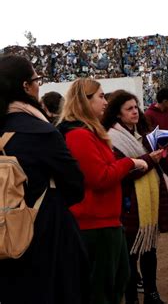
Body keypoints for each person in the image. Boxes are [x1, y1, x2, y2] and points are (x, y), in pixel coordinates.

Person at [0, 55, 89, 304]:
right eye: (36, 80)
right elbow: (75, 187)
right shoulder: (40, 131)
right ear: (26, 87)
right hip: (44, 234)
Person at [57, 78, 148, 304]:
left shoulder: (89, 132)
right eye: (100, 96)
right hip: (94, 224)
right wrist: (130, 163)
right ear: (85, 101)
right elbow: (99, 178)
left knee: (116, 281)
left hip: (105, 221)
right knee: (103, 289)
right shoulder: (79, 135)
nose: (105, 102)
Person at [103, 90, 168, 304]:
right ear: (118, 114)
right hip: (128, 202)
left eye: (136, 107)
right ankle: (131, 298)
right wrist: (150, 159)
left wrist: (161, 155)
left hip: (150, 198)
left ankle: (151, 293)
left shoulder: (144, 133)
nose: (135, 112)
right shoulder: (111, 138)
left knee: (150, 250)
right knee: (129, 254)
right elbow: (120, 171)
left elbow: (152, 164)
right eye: (129, 108)